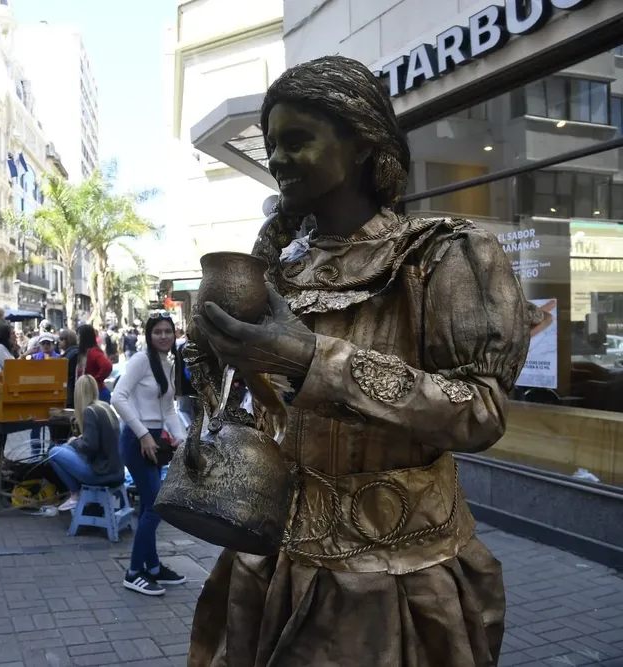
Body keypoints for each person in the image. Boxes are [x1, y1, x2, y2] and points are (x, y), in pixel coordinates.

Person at [184, 56, 535, 667]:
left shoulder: (443, 255)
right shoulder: (281, 272)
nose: (278, 160)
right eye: (272, 145)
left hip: (396, 579)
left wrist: (312, 359)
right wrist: (220, 400)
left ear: (360, 141)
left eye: (297, 141)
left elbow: (481, 412)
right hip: (273, 565)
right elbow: (267, 415)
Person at [110, 314, 188, 596]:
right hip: (136, 440)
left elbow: (168, 410)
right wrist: (143, 433)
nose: (164, 336)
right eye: (158, 332)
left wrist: (181, 439)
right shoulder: (141, 360)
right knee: (156, 507)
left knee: (148, 507)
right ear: (148, 335)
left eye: (168, 331)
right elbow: (117, 397)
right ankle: (133, 572)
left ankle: (153, 566)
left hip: (155, 441)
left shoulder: (167, 364)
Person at [48, 375, 124, 513]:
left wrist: (75, 441)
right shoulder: (104, 406)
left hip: (102, 473)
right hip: (115, 470)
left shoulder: (90, 411)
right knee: (64, 448)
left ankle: (75, 493)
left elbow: (90, 447)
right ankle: (77, 495)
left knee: (54, 452)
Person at [77, 324, 113, 402]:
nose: (77, 338)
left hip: (98, 394)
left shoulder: (93, 351)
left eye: (79, 335)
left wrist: (95, 381)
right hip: (89, 394)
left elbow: (107, 366)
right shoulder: (84, 352)